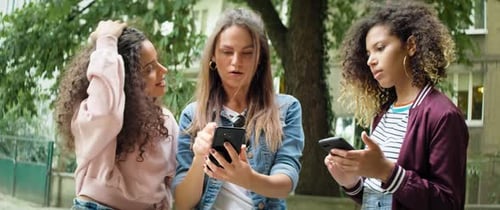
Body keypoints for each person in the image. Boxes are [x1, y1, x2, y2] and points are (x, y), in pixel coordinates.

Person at [324, 1, 469, 210]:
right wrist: (351, 182)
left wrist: (387, 172)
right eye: (368, 54)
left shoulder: (443, 116)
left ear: (410, 46)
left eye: (380, 48)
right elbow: (382, 197)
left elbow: (448, 203)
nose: (370, 61)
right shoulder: (382, 114)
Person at [172, 8, 305, 210]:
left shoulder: (286, 108)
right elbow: (182, 203)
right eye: (227, 52)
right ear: (213, 56)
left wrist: (248, 178)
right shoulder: (192, 115)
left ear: (259, 59)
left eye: (247, 53)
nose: (236, 62)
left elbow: (285, 183)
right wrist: (200, 157)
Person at [54, 20, 178, 210]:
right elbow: (108, 115)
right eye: (149, 69)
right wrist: (106, 42)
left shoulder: (166, 121)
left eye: (157, 62)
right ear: (127, 80)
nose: (163, 70)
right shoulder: (91, 114)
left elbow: (172, 181)